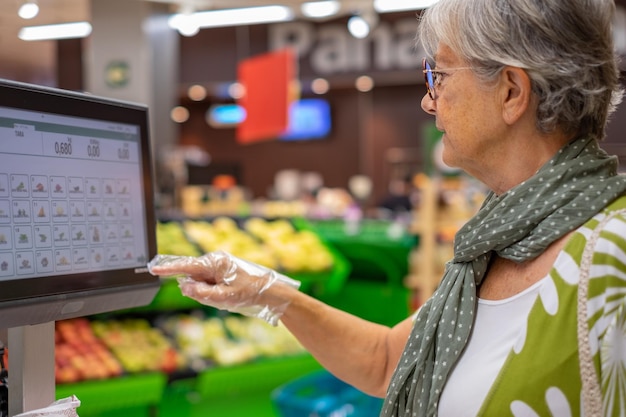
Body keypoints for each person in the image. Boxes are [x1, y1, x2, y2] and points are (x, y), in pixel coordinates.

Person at [149, 0, 626, 415]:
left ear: (511, 92)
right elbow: (387, 360)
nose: (427, 99)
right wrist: (268, 293)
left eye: (438, 74)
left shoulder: (611, 253)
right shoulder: (494, 245)